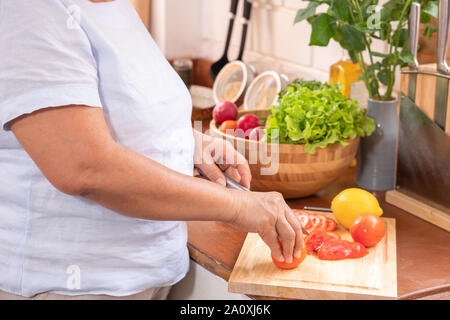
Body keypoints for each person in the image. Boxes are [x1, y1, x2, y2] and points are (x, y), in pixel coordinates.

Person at [0, 0, 303, 300]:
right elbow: (85, 168)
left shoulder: (114, 6)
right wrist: (236, 207)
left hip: (148, 275)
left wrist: (189, 143)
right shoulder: (31, 9)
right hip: (72, 286)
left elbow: (122, 108)